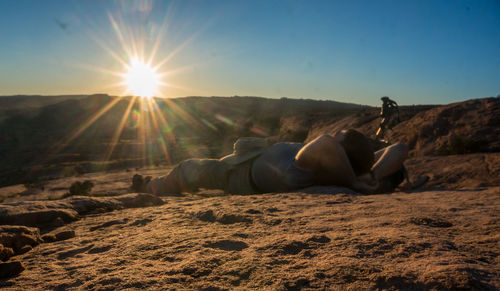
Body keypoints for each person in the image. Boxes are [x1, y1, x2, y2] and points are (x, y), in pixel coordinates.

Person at [139, 129, 410, 196]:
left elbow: (326, 142)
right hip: (249, 156)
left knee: (185, 170)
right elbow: (399, 148)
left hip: (237, 173)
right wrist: (371, 175)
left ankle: (148, 187)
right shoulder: (346, 168)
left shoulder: (306, 169)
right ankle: (150, 184)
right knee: (189, 169)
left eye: (339, 140)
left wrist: (353, 182)